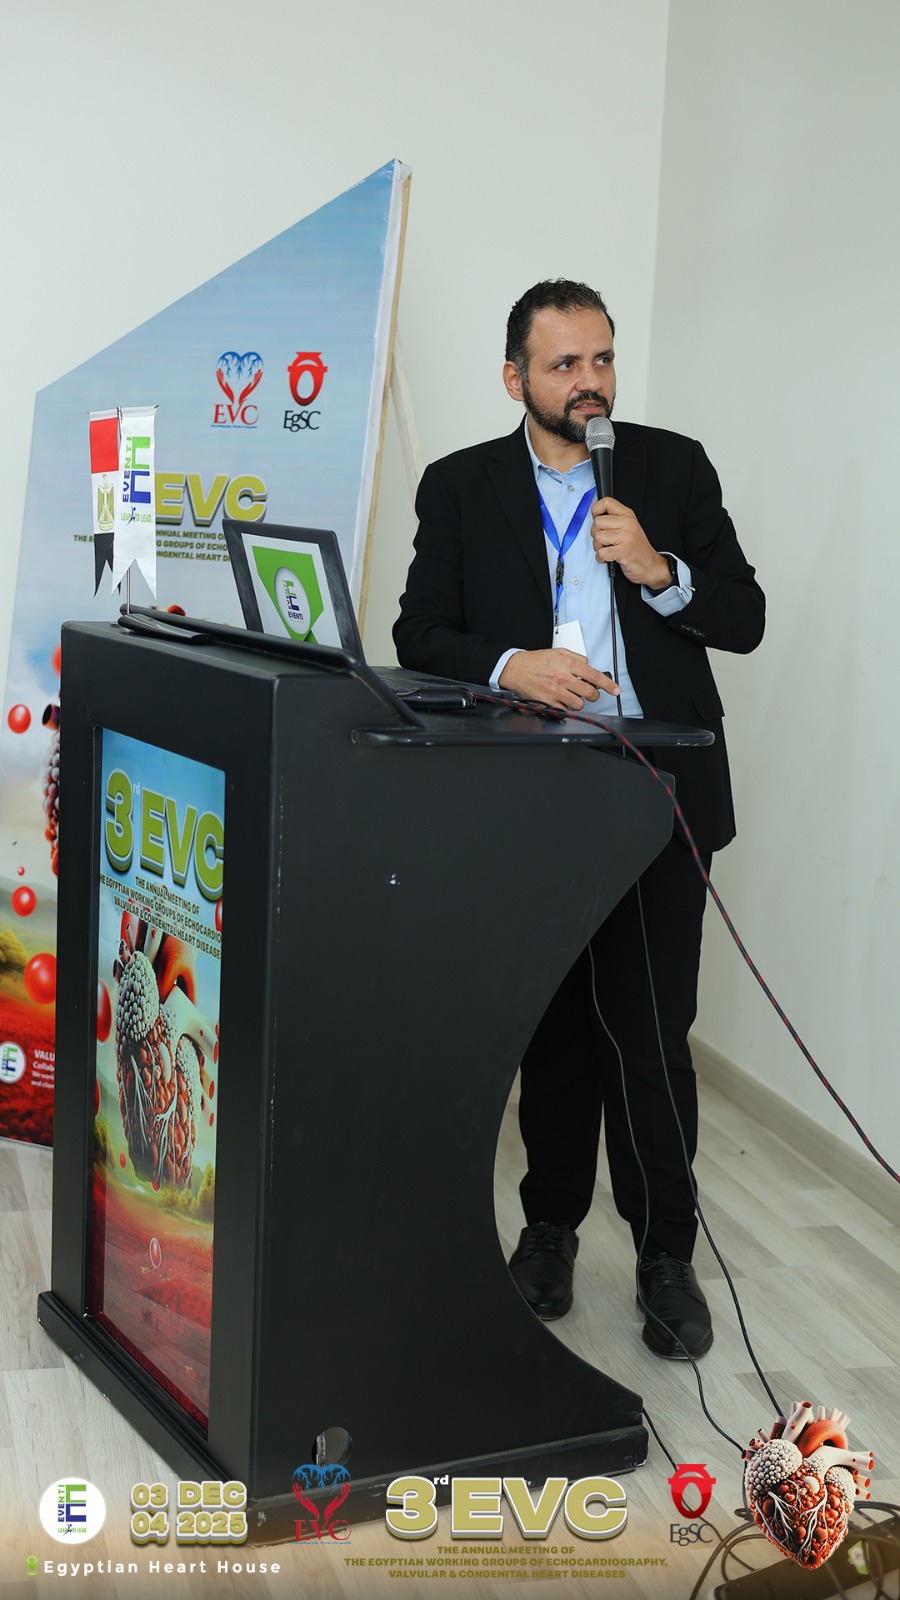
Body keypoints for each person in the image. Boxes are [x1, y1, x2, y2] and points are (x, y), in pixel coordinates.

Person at [393, 280, 764, 1359]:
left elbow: (743, 615)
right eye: (565, 365)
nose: (590, 382)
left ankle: (665, 1257)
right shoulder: (460, 485)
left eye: (602, 358)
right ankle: (549, 1231)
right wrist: (514, 664)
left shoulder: (671, 469)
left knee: (650, 1034)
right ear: (515, 377)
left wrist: (658, 570)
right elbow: (421, 631)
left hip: (659, 786)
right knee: (553, 1030)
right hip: (530, 796)